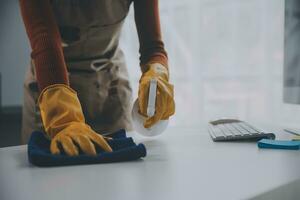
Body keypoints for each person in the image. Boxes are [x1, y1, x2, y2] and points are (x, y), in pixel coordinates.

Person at [19, 0, 175, 156]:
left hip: (111, 89)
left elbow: (153, 47)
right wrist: (63, 120)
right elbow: (44, 39)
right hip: (50, 89)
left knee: (119, 174)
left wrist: (157, 72)